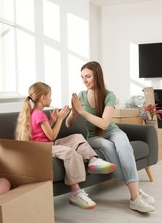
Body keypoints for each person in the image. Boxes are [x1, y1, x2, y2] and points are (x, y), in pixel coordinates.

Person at [66, 61, 155, 213]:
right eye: (82, 77)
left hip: (112, 131)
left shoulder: (109, 95)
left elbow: (105, 124)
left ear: (97, 76)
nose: (84, 81)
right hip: (93, 137)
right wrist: (74, 113)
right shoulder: (81, 96)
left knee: (123, 144)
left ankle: (135, 197)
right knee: (107, 146)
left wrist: (82, 112)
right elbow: (68, 124)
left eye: (88, 76)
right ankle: (136, 194)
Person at [15, 82, 116, 210]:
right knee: (70, 153)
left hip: (46, 145)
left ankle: (93, 160)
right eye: (50, 96)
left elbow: (41, 133)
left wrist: (51, 120)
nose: (51, 99)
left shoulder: (35, 112)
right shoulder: (39, 114)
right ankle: (75, 192)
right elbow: (52, 136)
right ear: (43, 98)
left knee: (77, 137)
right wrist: (60, 119)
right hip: (43, 148)